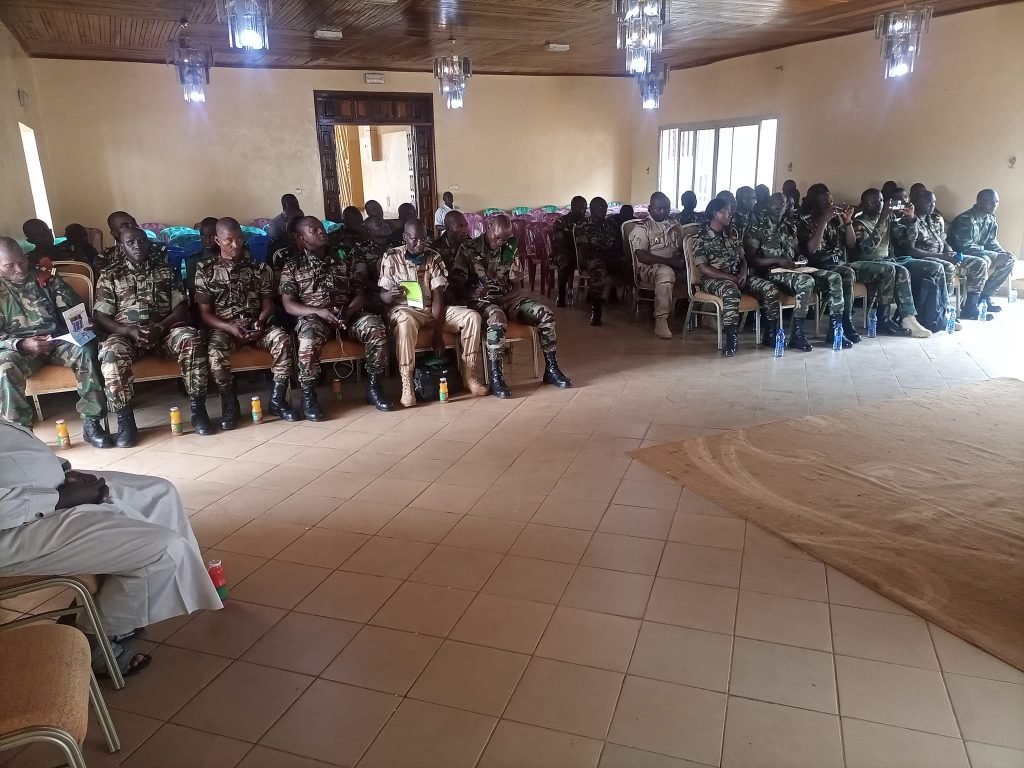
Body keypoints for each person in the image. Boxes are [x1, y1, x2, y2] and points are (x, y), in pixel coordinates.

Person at [0, 418, 222, 676]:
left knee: (160, 493)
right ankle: (88, 638)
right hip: (16, 527)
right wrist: (60, 499)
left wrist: (64, 470)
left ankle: (116, 610)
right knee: (165, 551)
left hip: (43, 492)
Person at [93, 227, 213, 446]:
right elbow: (101, 316)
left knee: (191, 339)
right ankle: (126, 422)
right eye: (130, 242)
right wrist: (128, 331)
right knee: (110, 354)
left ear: (149, 243)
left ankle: (199, 410)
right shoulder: (110, 275)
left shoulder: (165, 271)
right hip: (127, 334)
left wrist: (161, 327)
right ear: (122, 247)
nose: (137, 246)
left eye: (141, 241)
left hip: (163, 332)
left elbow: (181, 307)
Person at [0, 238, 113, 447]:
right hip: (19, 349)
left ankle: (92, 422)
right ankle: (21, 438)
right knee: (4, 366)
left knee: (86, 349)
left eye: (22, 261)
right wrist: (21, 344)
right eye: (9, 265)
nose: (19, 269)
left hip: (55, 341)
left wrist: (83, 324)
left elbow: (72, 308)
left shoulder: (44, 275)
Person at [280, 216, 393, 419]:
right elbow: (288, 305)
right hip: (315, 318)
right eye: (314, 230)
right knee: (308, 337)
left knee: (375, 326)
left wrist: (349, 311)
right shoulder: (293, 266)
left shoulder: (343, 261)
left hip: (346, 316)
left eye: (321, 228)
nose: (321, 232)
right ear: (301, 238)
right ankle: (308, 396)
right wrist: (319, 312)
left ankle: (374, 387)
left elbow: (359, 294)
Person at [195, 218, 301, 429]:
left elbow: (268, 305)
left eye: (239, 239)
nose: (235, 245)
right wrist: (229, 327)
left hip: (256, 324)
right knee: (215, 351)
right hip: (225, 328)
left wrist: (260, 321)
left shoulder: (259, 269)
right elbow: (205, 314)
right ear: (217, 240)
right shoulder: (205, 271)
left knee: (282, 340)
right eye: (229, 240)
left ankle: (277, 400)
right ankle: (230, 405)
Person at [452, 214, 571, 398]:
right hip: (481, 301)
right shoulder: (468, 248)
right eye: (497, 237)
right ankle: (496, 378)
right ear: (489, 227)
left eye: (505, 238)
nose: (500, 242)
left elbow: (516, 287)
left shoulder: (509, 248)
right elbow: (457, 283)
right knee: (496, 317)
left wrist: (504, 301)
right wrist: (473, 292)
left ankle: (551, 369)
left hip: (507, 299)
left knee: (545, 314)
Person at [379, 218, 487, 406]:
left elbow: (438, 297)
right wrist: (391, 293)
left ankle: (469, 375)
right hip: (406, 310)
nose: (419, 243)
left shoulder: (433, 257)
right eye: (414, 239)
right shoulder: (391, 257)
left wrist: (437, 335)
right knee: (404, 322)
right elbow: (383, 296)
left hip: (432, 308)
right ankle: (407, 384)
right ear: (405, 237)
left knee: (472, 317)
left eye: (423, 239)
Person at [799, 183, 900, 343]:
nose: (829, 204)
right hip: (818, 266)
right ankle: (839, 325)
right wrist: (823, 221)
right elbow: (811, 250)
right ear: (814, 204)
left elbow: (851, 244)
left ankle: (856, 322)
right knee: (846, 273)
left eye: (830, 200)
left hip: (840, 264)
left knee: (873, 270)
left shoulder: (836, 219)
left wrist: (847, 222)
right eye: (823, 202)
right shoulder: (806, 222)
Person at [694, 198, 780, 357]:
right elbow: (703, 268)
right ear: (715, 213)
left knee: (770, 289)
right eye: (726, 211)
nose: (730, 214)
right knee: (731, 292)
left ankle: (769, 334)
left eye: (730, 211)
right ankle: (731, 339)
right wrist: (730, 278)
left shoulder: (732, 232)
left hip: (738, 276)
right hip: (714, 280)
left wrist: (743, 271)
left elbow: (742, 257)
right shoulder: (701, 237)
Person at [744, 193, 825, 352]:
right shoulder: (757, 227)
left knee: (828, 277)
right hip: (768, 273)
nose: (778, 206)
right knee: (806, 281)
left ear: (787, 206)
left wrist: (800, 258)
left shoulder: (789, 227)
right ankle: (794, 333)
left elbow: (796, 251)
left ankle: (800, 332)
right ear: (768, 205)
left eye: (782, 203)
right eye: (774, 203)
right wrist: (777, 261)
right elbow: (751, 260)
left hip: (789, 271)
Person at [851, 189, 935, 337]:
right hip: (865, 262)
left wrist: (910, 219)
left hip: (889, 260)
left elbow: (908, 240)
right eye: (872, 202)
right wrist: (883, 218)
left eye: (880, 200)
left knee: (931, 267)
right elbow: (868, 249)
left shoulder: (890, 220)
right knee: (899, 270)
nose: (878, 204)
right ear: (862, 205)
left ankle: (931, 315)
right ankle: (898, 319)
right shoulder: (858, 223)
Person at [896, 188, 989, 321]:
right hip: (923, 258)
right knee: (948, 266)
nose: (932, 205)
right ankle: (943, 310)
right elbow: (910, 251)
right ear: (916, 202)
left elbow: (942, 240)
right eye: (928, 202)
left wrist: (949, 251)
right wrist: (943, 257)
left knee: (979, 263)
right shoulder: (905, 221)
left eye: (934, 202)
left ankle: (971, 307)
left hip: (941, 255)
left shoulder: (934, 219)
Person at [947, 189, 1016, 312]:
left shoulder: (990, 218)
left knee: (1009, 259)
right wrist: (995, 255)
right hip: (959, 255)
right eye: (991, 202)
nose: (994, 205)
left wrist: (1002, 253)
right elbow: (965, 247)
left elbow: (991, 242)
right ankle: (971, 303)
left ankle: (985, 297)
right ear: (979, 202)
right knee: (985, 259)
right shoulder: (965, 219)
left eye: (997, 202)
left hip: (979, 254)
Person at [628, 192, 683, 340]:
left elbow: (683, 247)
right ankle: (661, 320)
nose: (663, 211)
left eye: (666, 208)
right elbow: (642, 256)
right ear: (650, 209)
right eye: (658, 208)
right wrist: (670, 262)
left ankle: (708, 314)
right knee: (666, 273)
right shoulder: (642, 227)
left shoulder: (675, 225)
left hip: (674, 264)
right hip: (649, 268)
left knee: (702, 267)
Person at [572, 197, 622, 326]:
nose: (604, 210)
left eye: (605, 208)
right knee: (598, 266)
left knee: (629, 264)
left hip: (608, 258)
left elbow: (616, 245)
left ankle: (643, 302)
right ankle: (596, 310)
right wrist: (608, 257)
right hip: (590, 260)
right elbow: (586, 252)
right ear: (592, 209)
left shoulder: (609, 225)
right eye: (600, 207)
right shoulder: (583, 225)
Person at [552, 196, 588, 308]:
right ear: (573, 208)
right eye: (581, 208)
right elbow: (559, 244)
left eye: (585, 208)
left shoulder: (586, 222)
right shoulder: (561, 222)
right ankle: (561, 294)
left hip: (580, 253)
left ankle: (592, 295)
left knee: (595, 260)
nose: (584, 211)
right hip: (564, 252)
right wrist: (573, 254)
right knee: (565, 261)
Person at [182, 217, 219, 295]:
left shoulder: (227, 256)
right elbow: (192, 286)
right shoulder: (194, 260)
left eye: (211, 237)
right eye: (203, 237)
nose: (207, 241)